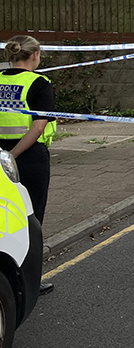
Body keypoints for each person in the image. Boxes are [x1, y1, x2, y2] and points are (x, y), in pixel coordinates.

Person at [0, 35, 56, 295]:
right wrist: (13, 155)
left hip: (0, 157)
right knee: (31, 221)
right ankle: (29, 285)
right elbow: (38, 126)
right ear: (35, 55)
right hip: (28, 158)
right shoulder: (40, 83)